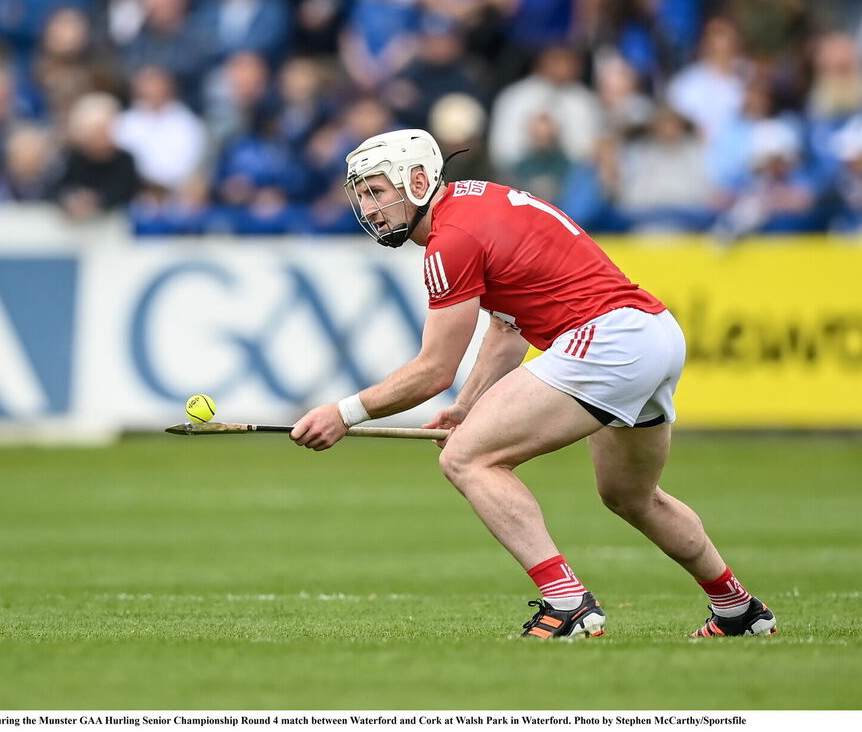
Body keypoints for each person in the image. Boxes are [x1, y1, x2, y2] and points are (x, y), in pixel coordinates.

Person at [290, 128, 778, 640]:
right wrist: (469, 407)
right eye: (361, 195)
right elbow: (507, 325)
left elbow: (434, 369)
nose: (368, 208)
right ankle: (739, 610)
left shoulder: (450, 239)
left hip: (608, 341)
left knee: (467, 459)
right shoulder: (476, 201)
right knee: (631, 496)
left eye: (377, 192)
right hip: (653, 334)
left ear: (417, 181)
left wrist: (342, 413)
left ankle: (568, 603)